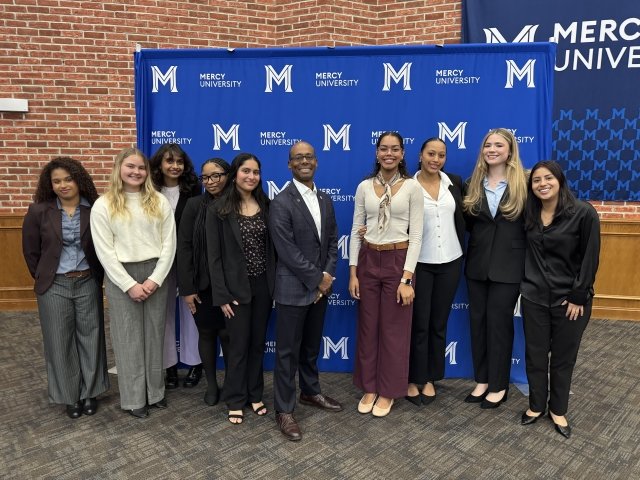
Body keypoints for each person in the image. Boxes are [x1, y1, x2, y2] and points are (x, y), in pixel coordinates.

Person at [90, 147, 176, 418]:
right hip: (120, 277)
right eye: (130, 166)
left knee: (154, 336)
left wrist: (155, 279)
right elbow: (105, 252)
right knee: (128, 339)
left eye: (141, 168)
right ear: (119, 169)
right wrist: (129, 284)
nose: (136, 172)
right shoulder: (103, 204)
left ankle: (155, 392)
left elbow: (169, 244)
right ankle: (134, 398)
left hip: (155, 274)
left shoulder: (159, 201)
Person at [22, 157, 110, 419]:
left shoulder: (96, 208)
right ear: (50, 185)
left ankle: (90, 392)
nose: (62, 185)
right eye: (56, 181)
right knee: (59, 341)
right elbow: (31, 252)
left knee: (91, 337)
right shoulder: (39, 210)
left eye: (68, 179)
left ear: (78, 179)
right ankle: (70, 395)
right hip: (54, 284)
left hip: (87, 281)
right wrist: (44, 276)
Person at [519, 160, 600, 438]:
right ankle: (536, 405)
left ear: (560, 180)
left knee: (563, 359)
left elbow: (590, 258)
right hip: (534, 297)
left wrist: (579, 296)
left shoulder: (583, 213)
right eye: (536, 180)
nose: (542, 184)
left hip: (571, 302)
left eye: (548, 178)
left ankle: (558, 409)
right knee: (535, 356)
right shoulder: (529, 213)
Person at [269, 141, 342, 442]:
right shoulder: (281, 201)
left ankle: (310, 392)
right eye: (297, 158)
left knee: (311, 348)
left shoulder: (325, 199)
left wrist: (327, 276)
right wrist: (318, 279)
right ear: (289, 164)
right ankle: (284, 410)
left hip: (319, 289)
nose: (304, 161)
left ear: (316, 162)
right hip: (292, 289)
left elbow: (333, 241)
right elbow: (286, 250)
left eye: (309, 157)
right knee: (287, 353)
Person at [349, 131, 424, 417]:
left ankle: (389, 390)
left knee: (394, 330)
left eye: (395, 149)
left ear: (403, 154)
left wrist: (406, 279)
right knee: (368, 328)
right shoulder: (364, 187)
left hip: (398, 260)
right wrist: (353, 272)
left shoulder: (412, 188)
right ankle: (369, 385)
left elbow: (416, 236)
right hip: (369, 259)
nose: (389, 154)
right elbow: (357, 231)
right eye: (383, 149)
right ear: (377, 153)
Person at [206, 153, 275, 425]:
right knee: (237, 347)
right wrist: (221, 295)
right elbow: (214, 258)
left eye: (256, 172)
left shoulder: (266, 205)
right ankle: (235, 399)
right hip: (234, 291)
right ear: (235, 174)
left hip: (263, 287)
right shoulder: (219, 210)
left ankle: (254, 394)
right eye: (246, 171)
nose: (251, 176)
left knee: (257, 344)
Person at [462, 128, 528, 409]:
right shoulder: (472, 183)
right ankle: (483, 380)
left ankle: (499, 384)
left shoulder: (524, 184)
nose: (492, 149)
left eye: (498, 145)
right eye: (487, 144)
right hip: (477, 266)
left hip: (509, 268)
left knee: (499, 325)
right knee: (478, 324)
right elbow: (468, 224)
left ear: (510, 150)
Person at [406, 138, 464, 406]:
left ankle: (430, 378)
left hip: (451, 261)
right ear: (420, 155)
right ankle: (411, 378)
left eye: (441, 155)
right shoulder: (407, 184)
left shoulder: (454, 182)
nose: (436, 159)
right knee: (418, 324)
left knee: (438, 324)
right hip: (419, 264)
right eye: (431, 153)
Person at [177, 157, 231, 406]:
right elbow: (184, 248)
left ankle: (232, 383)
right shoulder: (193, 205)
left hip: (233, 286)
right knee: (207, 334)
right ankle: (211, 384)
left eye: (216, 175)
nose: (210, 181)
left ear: (228, 175)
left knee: (230, 337)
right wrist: (187, 289)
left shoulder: (238, 203)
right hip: (202, 286)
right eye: (206, 177)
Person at [149, 143, 203, 390]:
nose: (175, 166)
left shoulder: (194, 190)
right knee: (164, 313)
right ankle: (169, 366)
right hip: (159, 261)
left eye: (179, 162)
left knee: (191, 312)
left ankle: (194, 363)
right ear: (160, 164)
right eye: (169, 161)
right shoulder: (148, 191)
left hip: (188, 259)